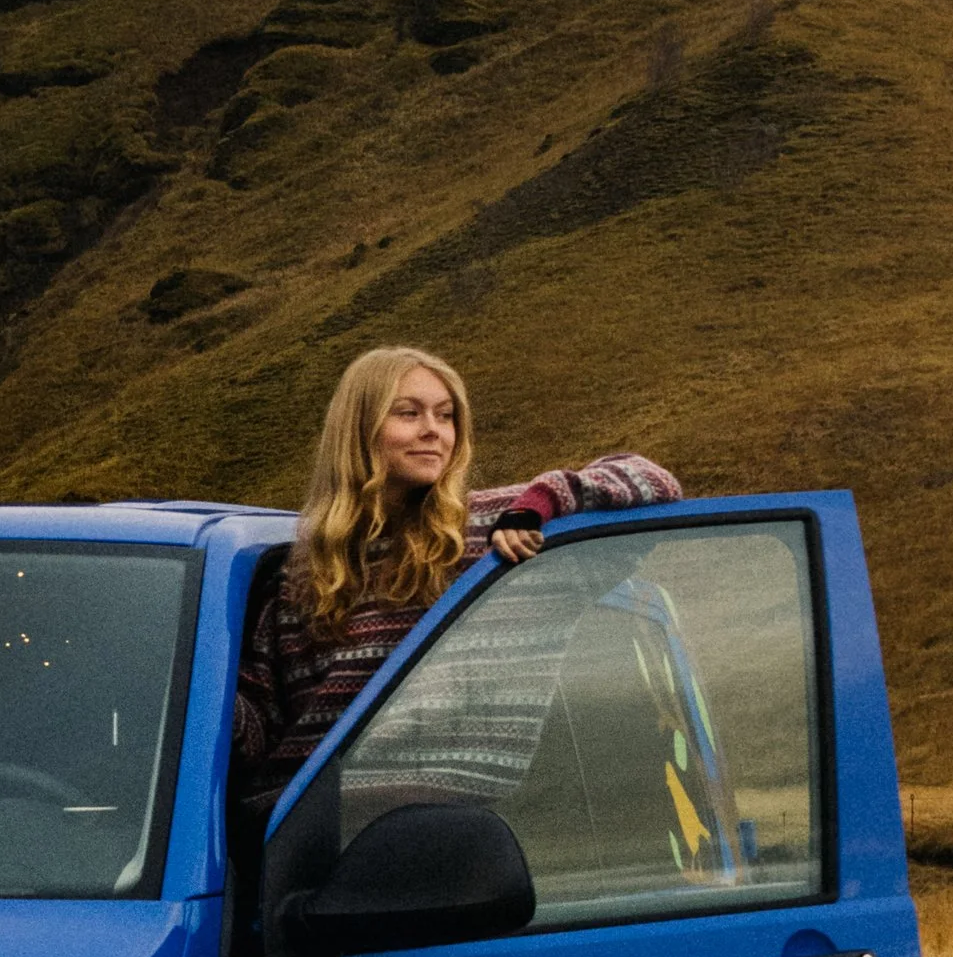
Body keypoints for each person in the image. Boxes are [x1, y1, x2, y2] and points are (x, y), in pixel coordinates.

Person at [231, 343, 681, 817]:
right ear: (358, 430)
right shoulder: (304, 568)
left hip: (444, 819)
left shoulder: (491, 533)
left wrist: (536, 506)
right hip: (307, 825)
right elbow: (261, 726)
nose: (433, 431)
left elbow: (651, 480)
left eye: (445, 417)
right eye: (408, 413)